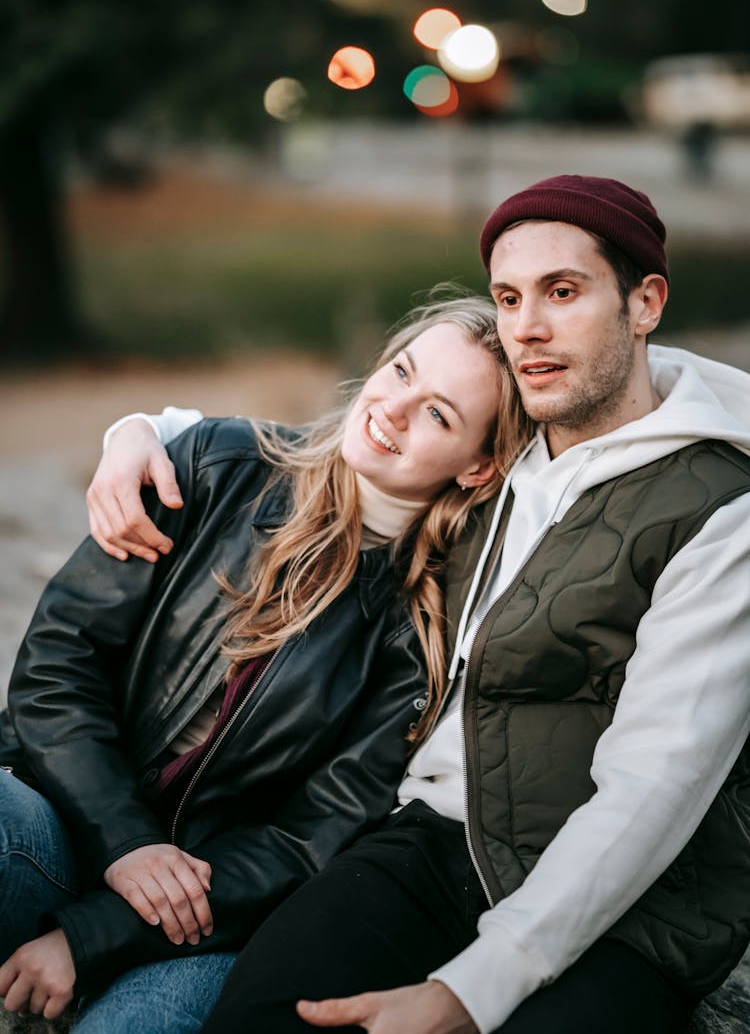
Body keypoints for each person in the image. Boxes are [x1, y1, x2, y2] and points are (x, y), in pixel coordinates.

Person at [94, 175, 750, 1034]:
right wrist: (141, 428)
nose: (529, 327)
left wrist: (469, 990)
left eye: (563, 291)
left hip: (628, 905)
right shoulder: (496, 457)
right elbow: (333, 448)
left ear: (644, 302)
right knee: (264, 1013)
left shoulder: (717, 507)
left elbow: (655, 783)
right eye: (510, 297)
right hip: (431, 842)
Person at [0, 294, 530, 1032]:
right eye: (402, 371)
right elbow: (57, 665)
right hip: (66, 821)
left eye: (440, 413)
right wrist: (127, 841)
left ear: (480, 467)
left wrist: (91, 935)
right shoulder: (213, 464)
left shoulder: (417, 639)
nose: (395, 407)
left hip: (198, 924)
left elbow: (305, 842)